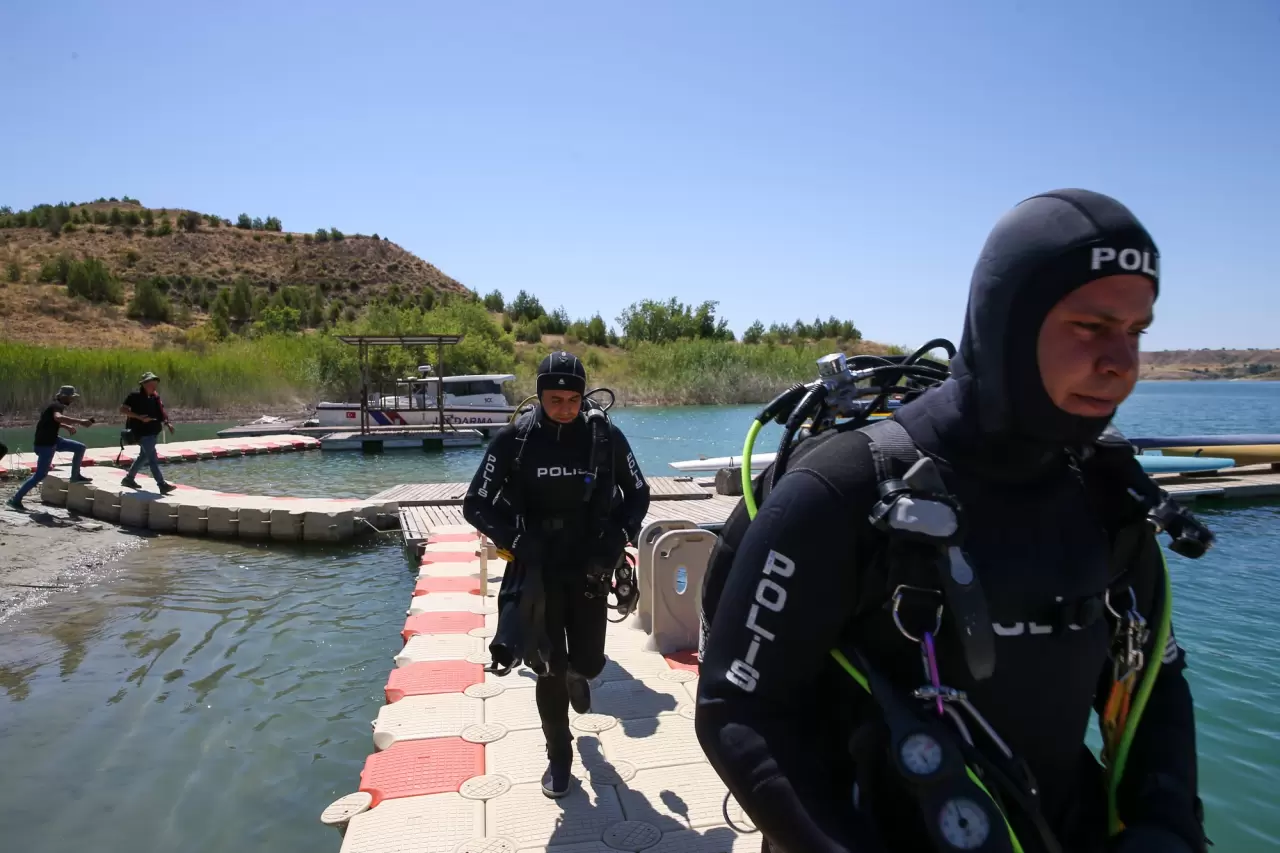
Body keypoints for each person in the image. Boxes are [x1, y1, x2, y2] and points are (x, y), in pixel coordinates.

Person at [696, 190, 1206, 853]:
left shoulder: (1108, 502)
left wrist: (1167, 828)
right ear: (1009, 321)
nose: (1123, 362)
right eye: (1091, 325)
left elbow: (1156, 686)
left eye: (1137, 331)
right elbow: (739, 708)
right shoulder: (846, 490)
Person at [463, 351, 651, 799]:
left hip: (589, 565)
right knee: (547, 667)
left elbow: (638, 492)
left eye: (572, 399)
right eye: (554, 399)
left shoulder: (603, 437)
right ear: (540, 395)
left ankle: (575, 676)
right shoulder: (516, 439)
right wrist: (516, 540)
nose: (565, 407)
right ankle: (559, 755)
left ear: (584, 396)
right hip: (537, 569)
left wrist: (619, 537)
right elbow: (476, 503)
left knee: (587, 664)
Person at [6, 385, 96, 511]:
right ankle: (15, 500)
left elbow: (50, 421)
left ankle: (75, 476)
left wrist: (66, 427)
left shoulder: (52, 405)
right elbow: (57, 418)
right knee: (39, 476)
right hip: (45, 445)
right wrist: (81, 422)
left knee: (80, 447)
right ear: (65, 397)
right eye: (71, 398)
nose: (72, 400)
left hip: (53, 440)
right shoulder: (57, 406)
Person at [119, 371, 176, 494]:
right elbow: (122, 410)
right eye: (151, 384)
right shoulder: (134, 396)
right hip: (141, 432)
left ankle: (128, 479)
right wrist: (140, 417)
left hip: (153, 431)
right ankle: (162, 485)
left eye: (155, 383)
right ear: (144, 384)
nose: (154, 386)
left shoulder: (155, 397)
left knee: (143, 456)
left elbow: (160, 413)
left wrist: (167, 423)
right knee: (152, 459)